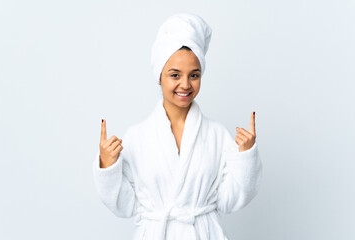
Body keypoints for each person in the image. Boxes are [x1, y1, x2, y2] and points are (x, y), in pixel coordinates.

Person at [93, 13, 263, 240]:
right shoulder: (137, 137)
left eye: (194, 75)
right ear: (160, 75)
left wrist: (245, 158)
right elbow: (125, 206)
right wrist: (107, 166)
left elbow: (229, 201)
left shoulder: (216, 135)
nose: (185, 84)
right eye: (175, 75)